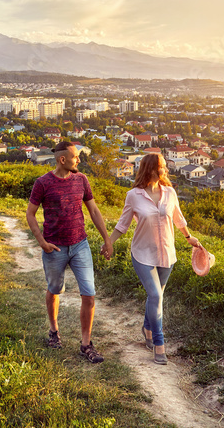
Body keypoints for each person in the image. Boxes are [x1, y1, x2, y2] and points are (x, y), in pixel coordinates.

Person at [102, 153, 199, 364]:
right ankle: (159, 343)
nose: (165, 169)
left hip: (166, 253)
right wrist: (109, 243)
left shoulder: (170, 193)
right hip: (142, 253)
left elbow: (178, 218)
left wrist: (189, 237)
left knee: (156, 297)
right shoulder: (133, 195)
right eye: (162, 166)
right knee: (156, 295)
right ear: (151, 169)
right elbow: (122, 225)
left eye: (164, 165)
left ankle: (147, 328)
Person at [26, 141, 110, 363]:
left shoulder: (82, 179)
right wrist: (42, 242)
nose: (79, 161)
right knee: (54, 290)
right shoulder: (42, 183)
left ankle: (86, 344)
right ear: (63, 160)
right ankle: (54, 332)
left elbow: (93, 210)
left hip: (80, 245)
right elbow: (31, 214)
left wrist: (107, 239)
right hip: (54, 247)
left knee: (89, 294)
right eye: (76, 157)